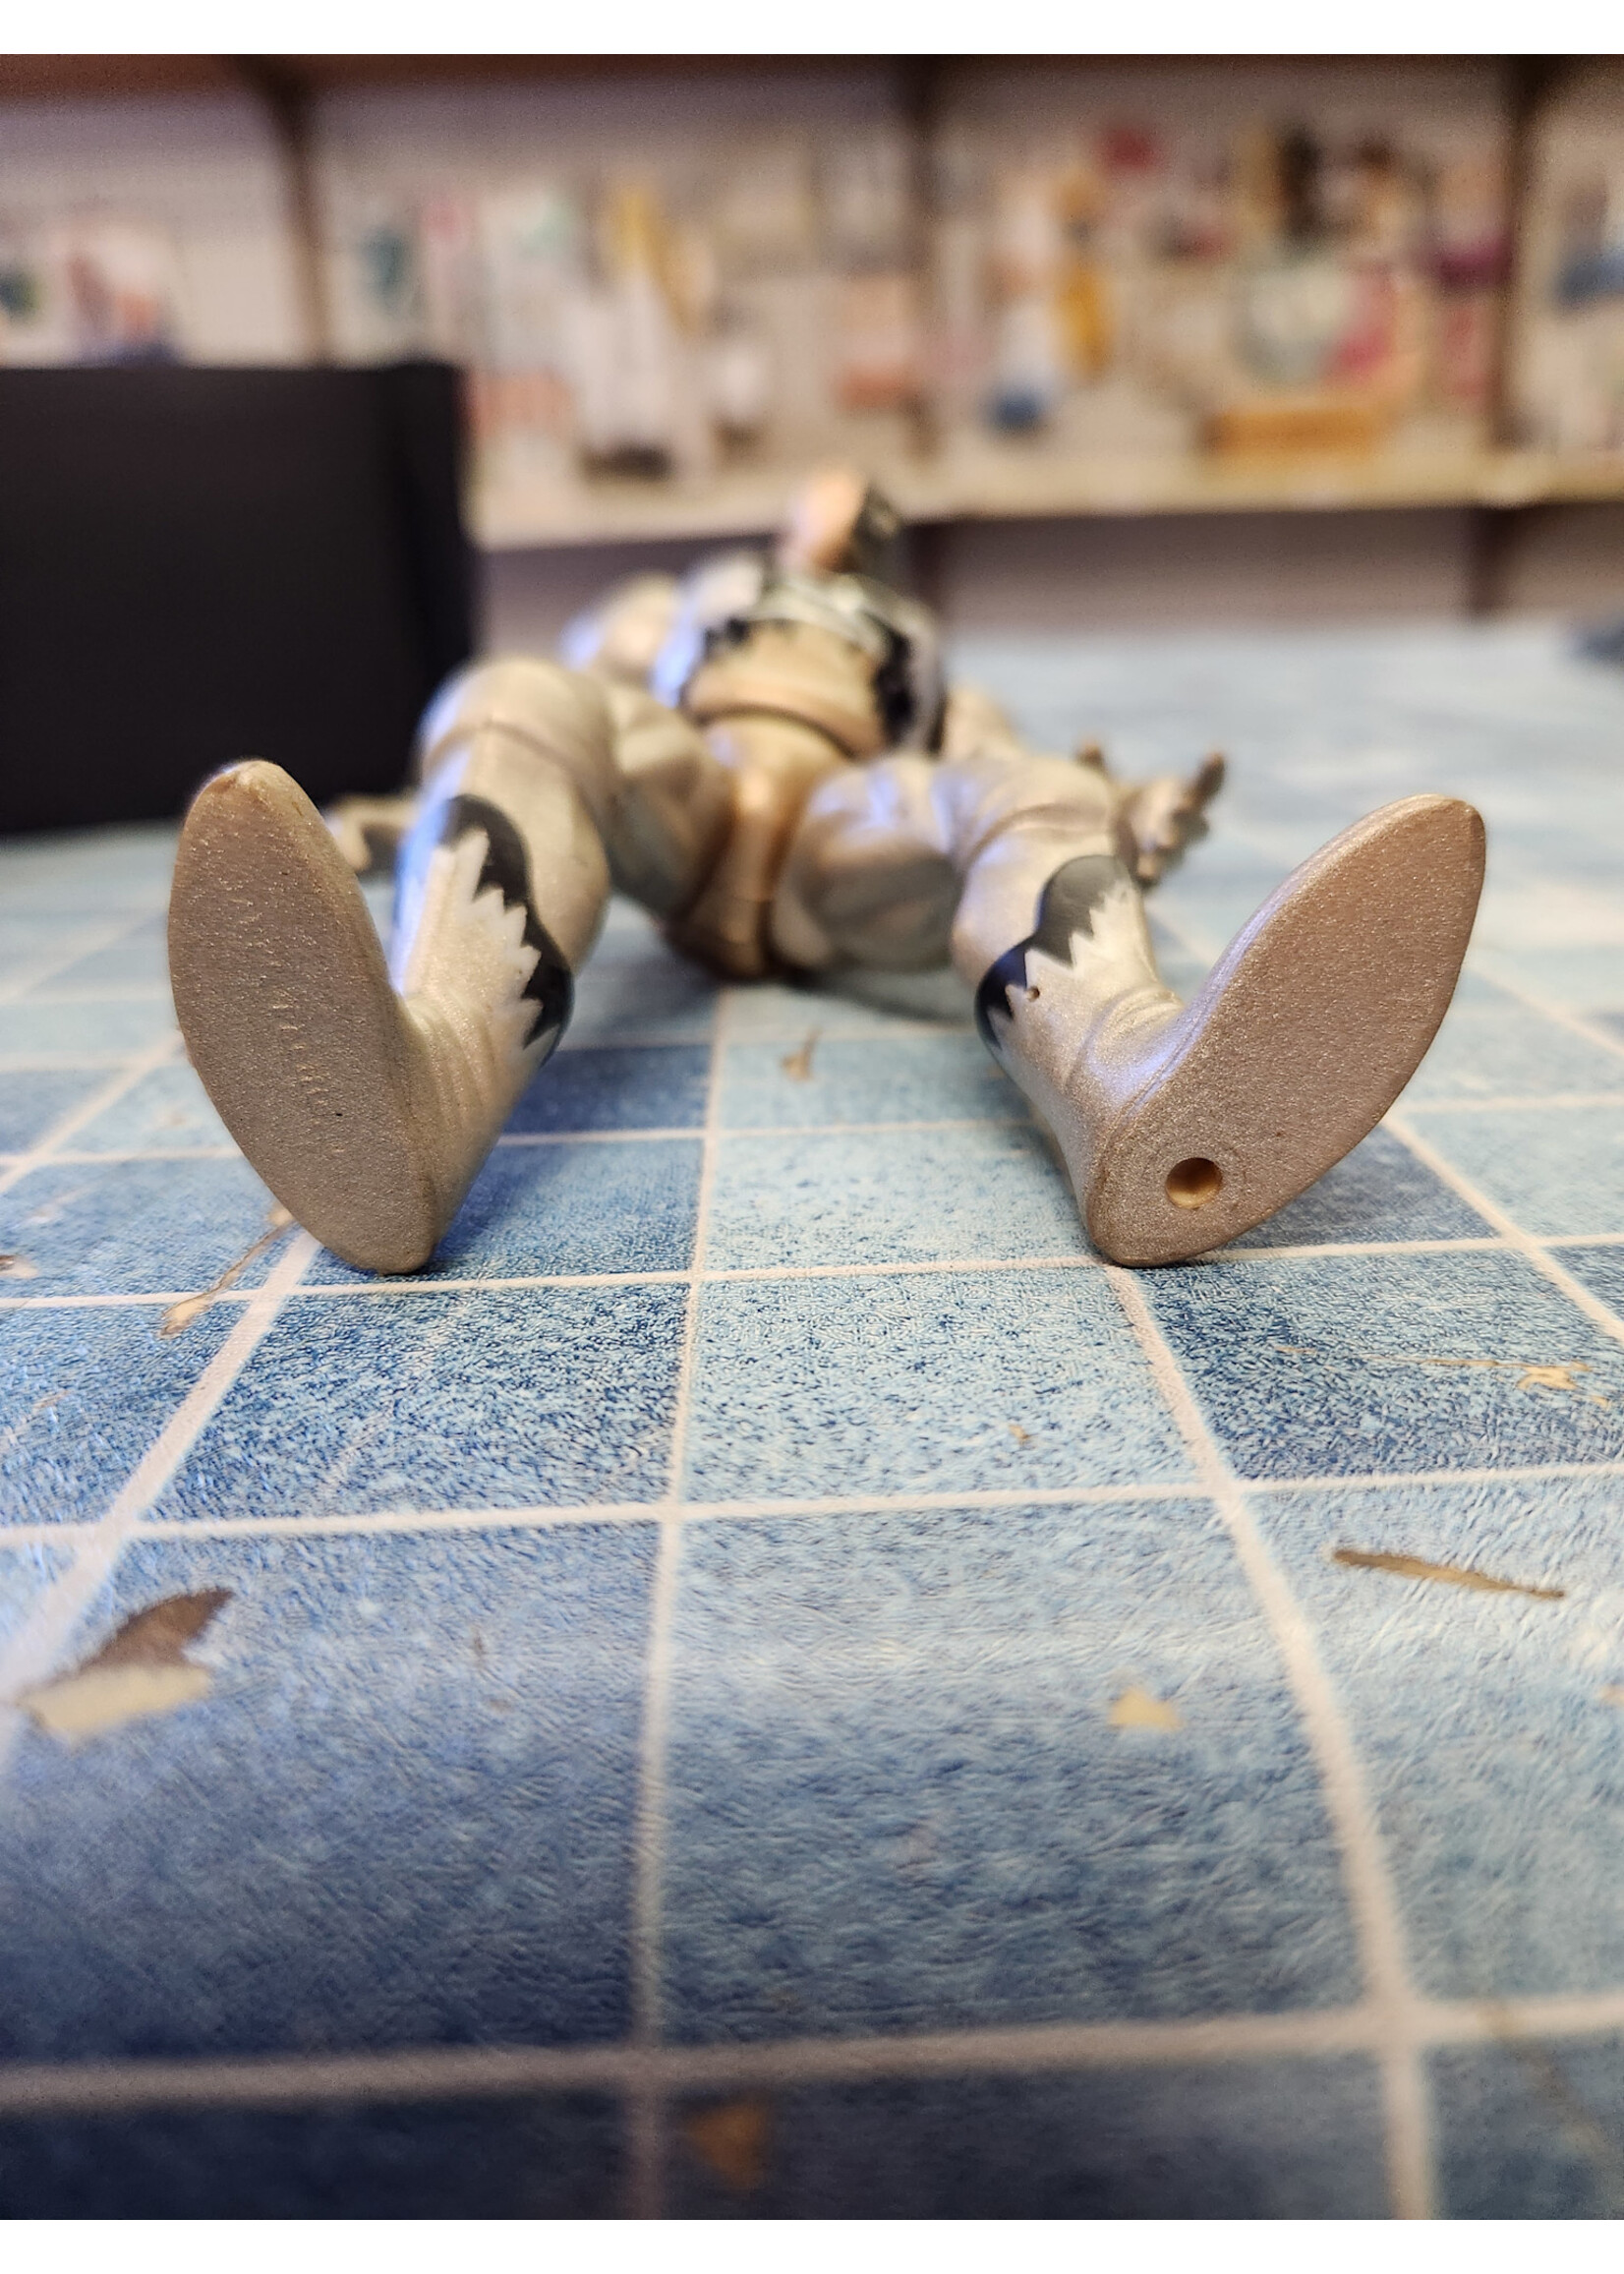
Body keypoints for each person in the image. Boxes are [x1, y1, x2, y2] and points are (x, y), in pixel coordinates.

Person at [167, 469, 1484, 1277]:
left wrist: (1110, 813)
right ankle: (418, 1087)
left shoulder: (918, 649)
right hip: (687, 791)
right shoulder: (682, 601)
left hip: (839, 839)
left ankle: (1132, 1082)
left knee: (1033, 786)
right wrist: (424, 811)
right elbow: (554, 721)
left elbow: (992, 763)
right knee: (511, 692)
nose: (852, 517)